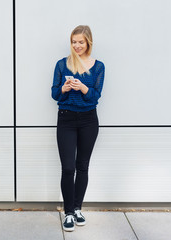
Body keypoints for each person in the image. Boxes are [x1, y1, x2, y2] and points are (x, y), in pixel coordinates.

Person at [51, 25, 105, 232]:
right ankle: (68, 213)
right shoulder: (62, 64)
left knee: (82, 166)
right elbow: (55, 94)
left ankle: (77, 209)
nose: (77, 45)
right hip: (66, 119)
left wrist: (82, 87)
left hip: (89, 120)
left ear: (88, 42)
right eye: (74, 41)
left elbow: (95, 95)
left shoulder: (98, 66)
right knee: (68, 168)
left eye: (81, 42)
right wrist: (63, 89)